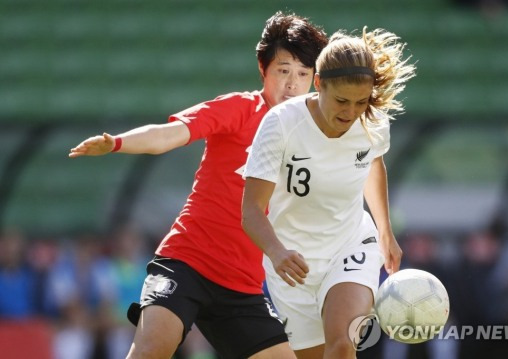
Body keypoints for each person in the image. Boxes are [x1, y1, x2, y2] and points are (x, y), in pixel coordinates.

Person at [69, 11, 327, 359]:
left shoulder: (314, 140)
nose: (292, 84)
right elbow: (167, 136)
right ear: (263, 70)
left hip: (242, 288)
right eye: (283, 70)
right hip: (186, 263)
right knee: (153, 348)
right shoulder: (239, 109)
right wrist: (116, 142)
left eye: (303, 74)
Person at [242, 26, 416, 359]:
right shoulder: (280, 123)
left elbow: (372, 165)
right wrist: (277, 252)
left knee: (341, 344)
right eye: (341, 101)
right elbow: (251, 209)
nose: (350, 112)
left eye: (360, 102)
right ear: (319, 83)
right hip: (294, 267)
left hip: (350, 246)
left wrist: (384, 230)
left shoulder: (372, 123)